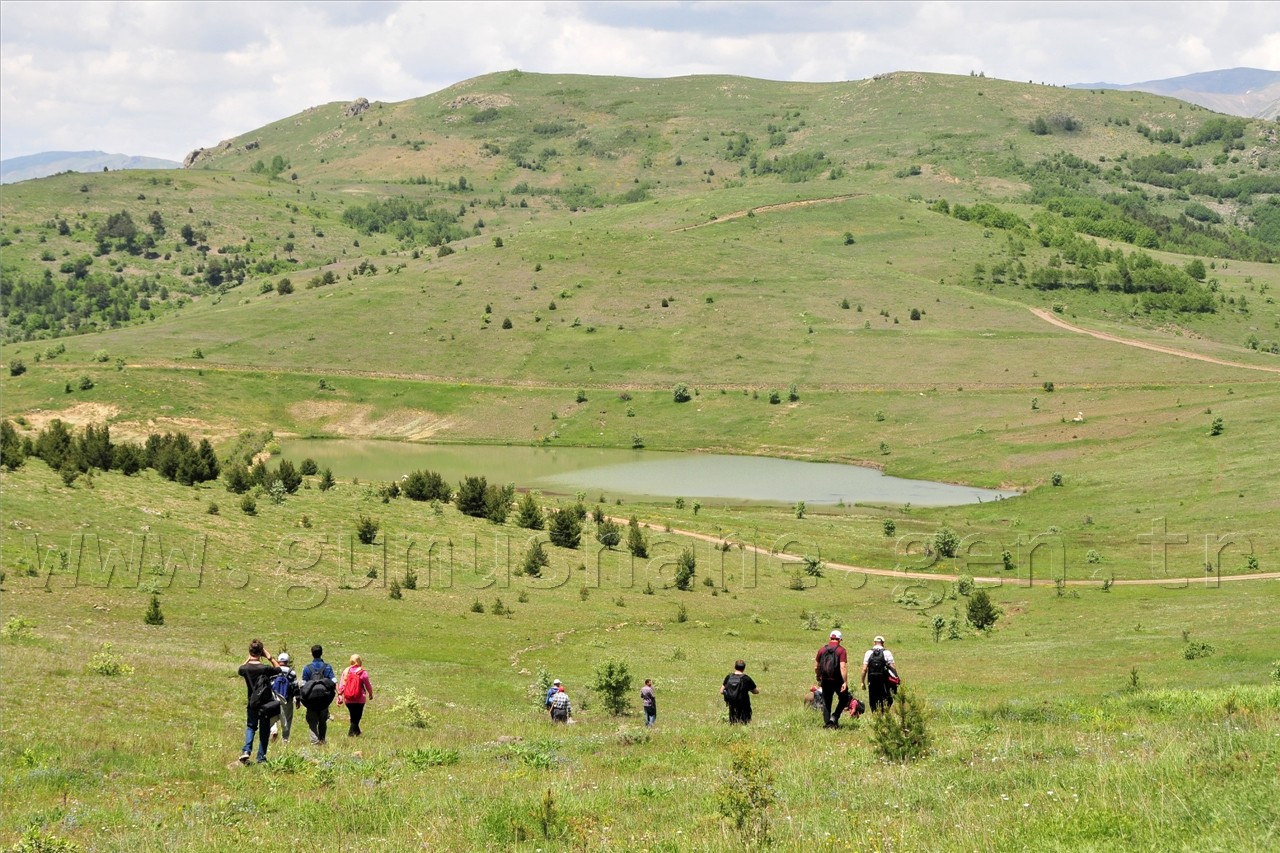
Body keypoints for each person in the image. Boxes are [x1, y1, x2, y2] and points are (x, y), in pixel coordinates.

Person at [237, 639, 281, 764]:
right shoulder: (264, 668)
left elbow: (241, 668)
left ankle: (246, 751)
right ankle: (261, 757)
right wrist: (269, 657)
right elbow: (278, 669)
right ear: (261, 652)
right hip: (265, 703)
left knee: (251, 727)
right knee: (264, 730)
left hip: (252, 702)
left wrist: (249, 658)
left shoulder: (245, 669)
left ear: (250, 651)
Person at [299, 644, 336, 745]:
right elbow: (333, 681)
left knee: (312, 721)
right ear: (321, 653)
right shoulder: (327, 667)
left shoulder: (307, 668)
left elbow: (303, 684)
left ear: (312, 654)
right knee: (323, 720)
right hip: (324, 698)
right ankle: (322, 740)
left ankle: (315, 742)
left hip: (311, 699)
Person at [815, 629, 850, 729]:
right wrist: (845, 682)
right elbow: (842, 667)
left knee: (826, 702)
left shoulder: (822, 650)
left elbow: (816, 667)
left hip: (825, 680)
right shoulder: (841, 650)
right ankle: (834, 718)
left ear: (830, 638)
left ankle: (827, 724)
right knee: (844, 699)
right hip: (838, 680)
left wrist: (818, 676)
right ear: (840, 640)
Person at [336, 654, 373, 737]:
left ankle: (357, 733)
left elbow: (342, 684)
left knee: (353, 717)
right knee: (356, 718)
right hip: (360, 699)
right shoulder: (362, 672)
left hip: (348, 698)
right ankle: (350, 735)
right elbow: (367, 685)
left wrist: (339, 694)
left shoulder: (346, 671)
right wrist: (370, 693)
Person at [268, 652, 299, 744]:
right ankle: (285, 738)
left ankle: (273, 730)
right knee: (287, 718)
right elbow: (295, 687)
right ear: (287, 661)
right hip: (286, 699)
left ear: (278, 661)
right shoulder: (291, 672)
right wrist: (297, 699)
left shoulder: (273, 671)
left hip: (274, 697)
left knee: (272, 716)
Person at [861, 635, 897, 712]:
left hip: (872, 680)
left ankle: (875, 716)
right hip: (884, 680)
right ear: (883, 643)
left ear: (874, 643)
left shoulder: (868, 652)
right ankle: (884, 714)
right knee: (885, 697)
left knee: (873, 698)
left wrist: (862, 682)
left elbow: (864, 669)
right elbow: (893, 668)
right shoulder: (887, 652)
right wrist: (895, 680)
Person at [721, 659, 759, 724]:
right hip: (744, 705)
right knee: (744, 723)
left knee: (733, 723)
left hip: (732, 705)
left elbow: (721, 691)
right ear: (744, 668)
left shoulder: (729, 677)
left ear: (735, 667)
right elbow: (755, 691)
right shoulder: (746, 678)